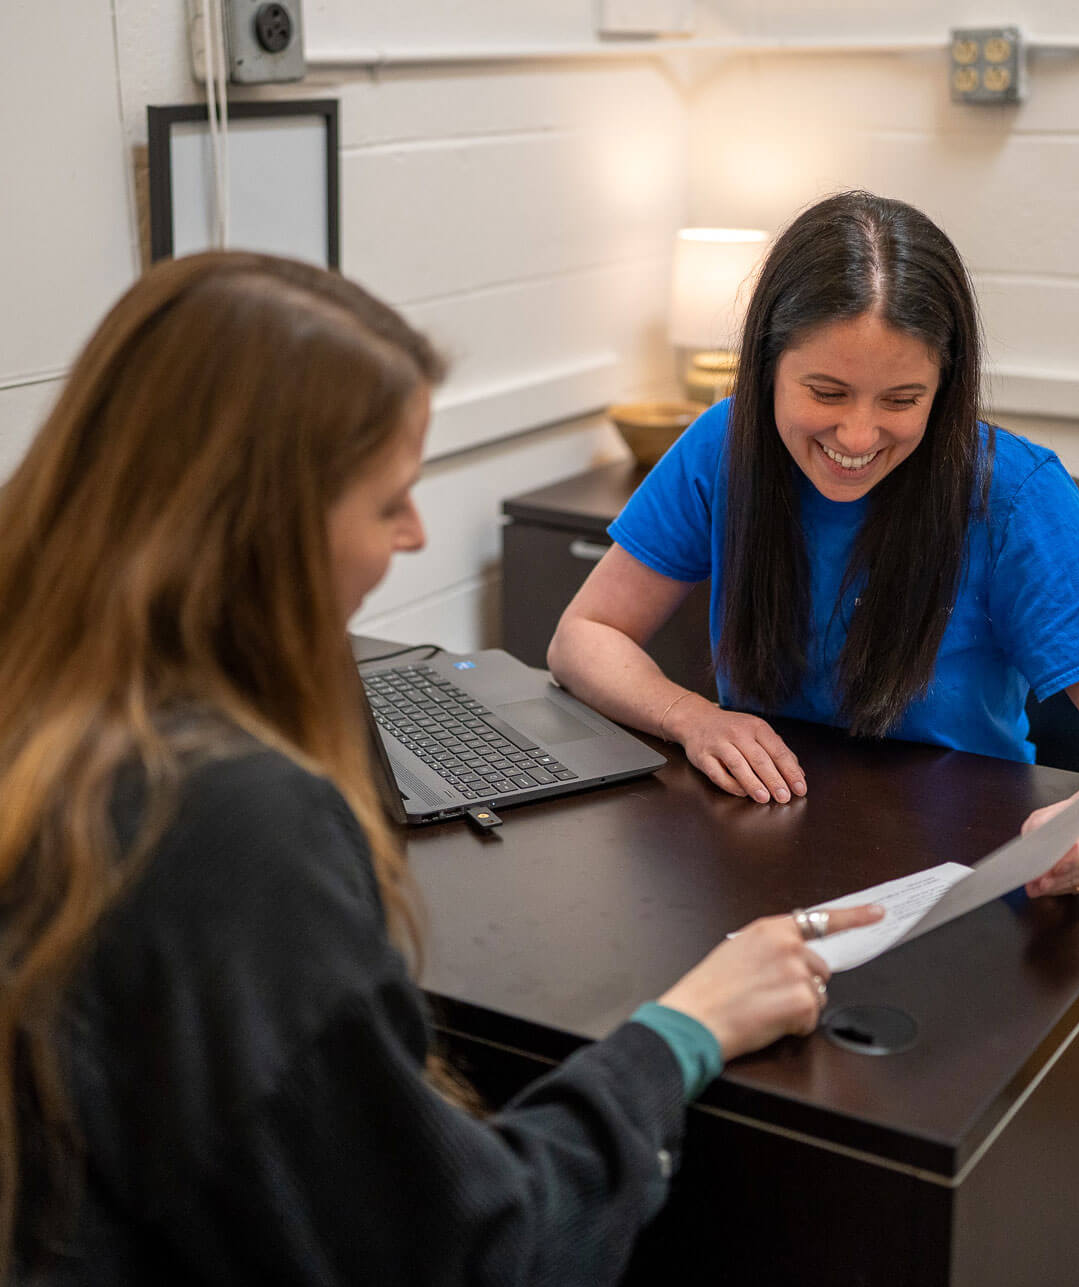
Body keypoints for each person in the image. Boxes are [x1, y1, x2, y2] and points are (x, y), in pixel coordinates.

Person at [0, 252, 883, 1285]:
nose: (416, 534)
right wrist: (688, 1029)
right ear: (261, 522)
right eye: (390, 502)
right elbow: (474, 1252)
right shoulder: (231, 824)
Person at [549, 190, 1079, 900]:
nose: (858, 437)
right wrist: (691, 717)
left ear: (944, 386)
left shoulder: (1014, 494)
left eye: (901, 400)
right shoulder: (723, 445)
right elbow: (585, 634)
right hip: (759, 847)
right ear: (768, 365)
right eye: (827, 393)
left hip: (961, 867)